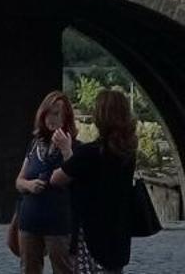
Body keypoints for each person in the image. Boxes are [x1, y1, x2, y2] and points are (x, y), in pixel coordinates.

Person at [51, 88, 148, 272]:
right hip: (118, 234)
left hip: (92, 237)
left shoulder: (90, 152)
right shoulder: (127, 152)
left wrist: (66, 150)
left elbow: (58, 179)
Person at [13, 91, 77, 274]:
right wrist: (30, 185)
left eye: (56, 114)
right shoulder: (35, 144)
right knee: (29, 269)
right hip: (30, 219)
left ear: (66, 117)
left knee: (63, 269)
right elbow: (19, 181)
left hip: (58, 221)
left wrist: (66, 151)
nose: (51, 119)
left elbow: (75, 180)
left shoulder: (74, 146)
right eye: (48, 113)